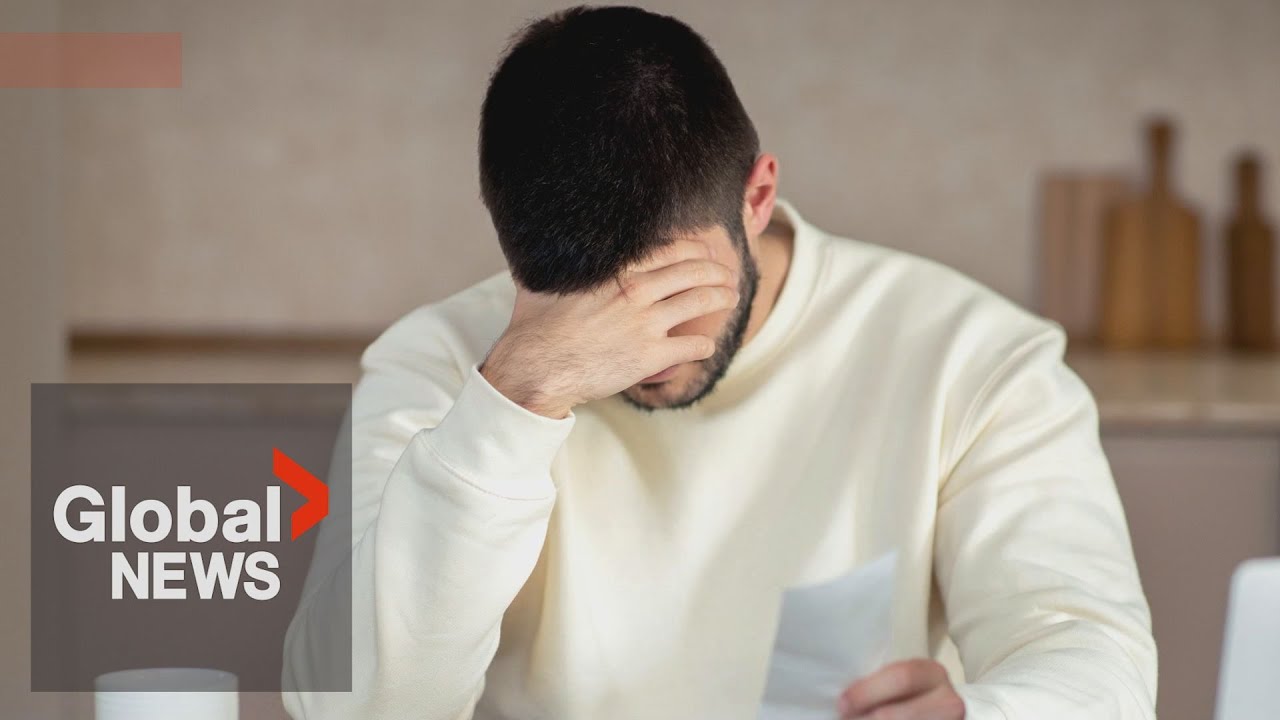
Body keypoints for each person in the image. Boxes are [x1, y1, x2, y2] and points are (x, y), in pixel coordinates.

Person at [282, 6, 1157, 719]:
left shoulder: (971, 355)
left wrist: (990, 714)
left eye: (669, 293)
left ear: (758, 198)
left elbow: (1091, 657)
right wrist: (515, 400)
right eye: (572, 301)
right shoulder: (439, 361)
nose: (630, 347)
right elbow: (352, 709)